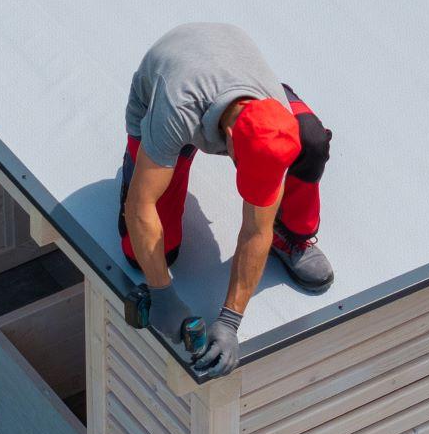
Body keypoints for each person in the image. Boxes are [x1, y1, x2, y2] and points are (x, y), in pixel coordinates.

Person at [119, 23, 333, 378]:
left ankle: (292, 233)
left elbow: (254, 229)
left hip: (231, 67)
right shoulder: (176, 111)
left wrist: (230, 321)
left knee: (311, 139)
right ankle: (141, 163)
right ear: (229, 138)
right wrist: (162, 295)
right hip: (166, 85)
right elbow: (140, 208)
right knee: (145, 252)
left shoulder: (274, 111)